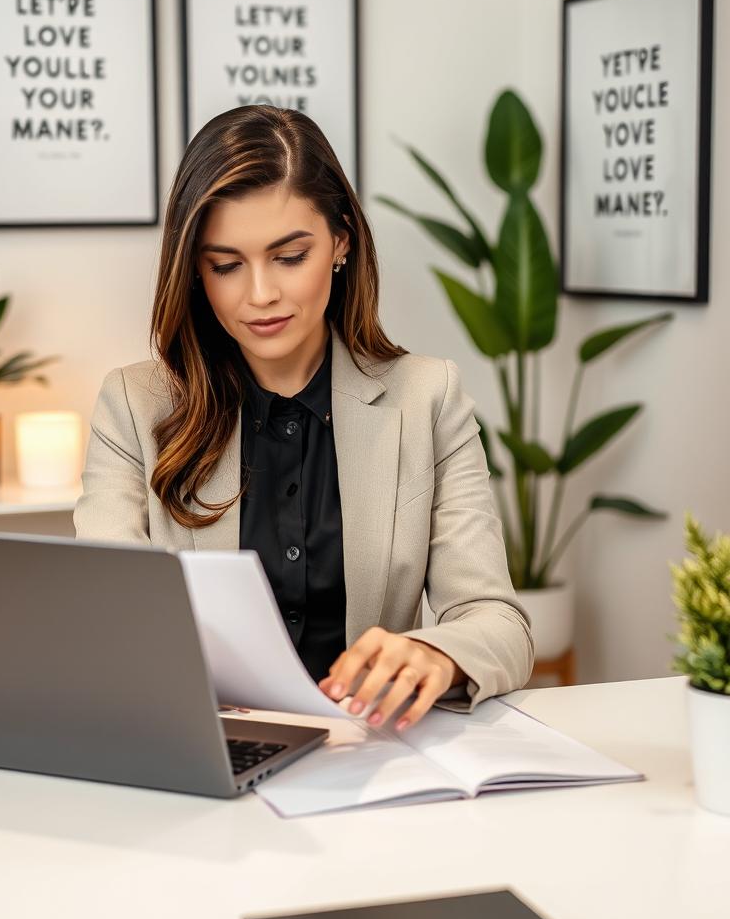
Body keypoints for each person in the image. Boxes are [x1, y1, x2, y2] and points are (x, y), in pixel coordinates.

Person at [74, 106, 533, 730]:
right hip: (203, 753)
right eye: (226, 265)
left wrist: (432, 652)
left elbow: (498, 623)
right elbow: (106, 624)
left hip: (369, 758)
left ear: (341, 241)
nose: (259, 294)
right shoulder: (134, 406)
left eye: (289, 257)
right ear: (194, 269)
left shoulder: (427, 398)